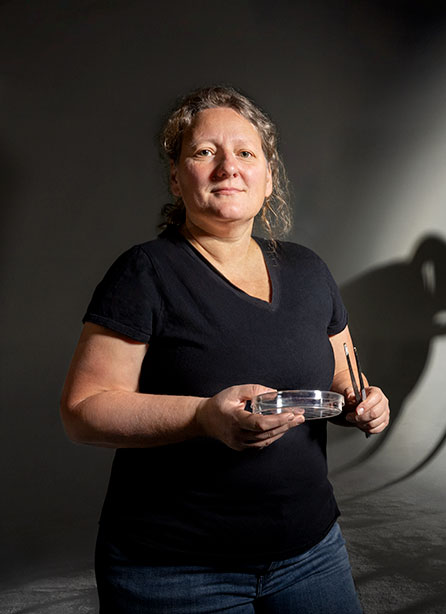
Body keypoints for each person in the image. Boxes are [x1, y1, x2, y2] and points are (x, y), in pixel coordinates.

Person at [60, 85, 389, 613]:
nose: (227, 166)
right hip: (174, 570)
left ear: (269, 177)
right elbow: (82, 410)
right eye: (204, 152)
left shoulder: (309, 270)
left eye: (245, 152)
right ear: (175, 176)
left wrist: (364, 401)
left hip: (311, 553)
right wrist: (203, 417)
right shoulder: (144, 273)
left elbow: (344, 377)